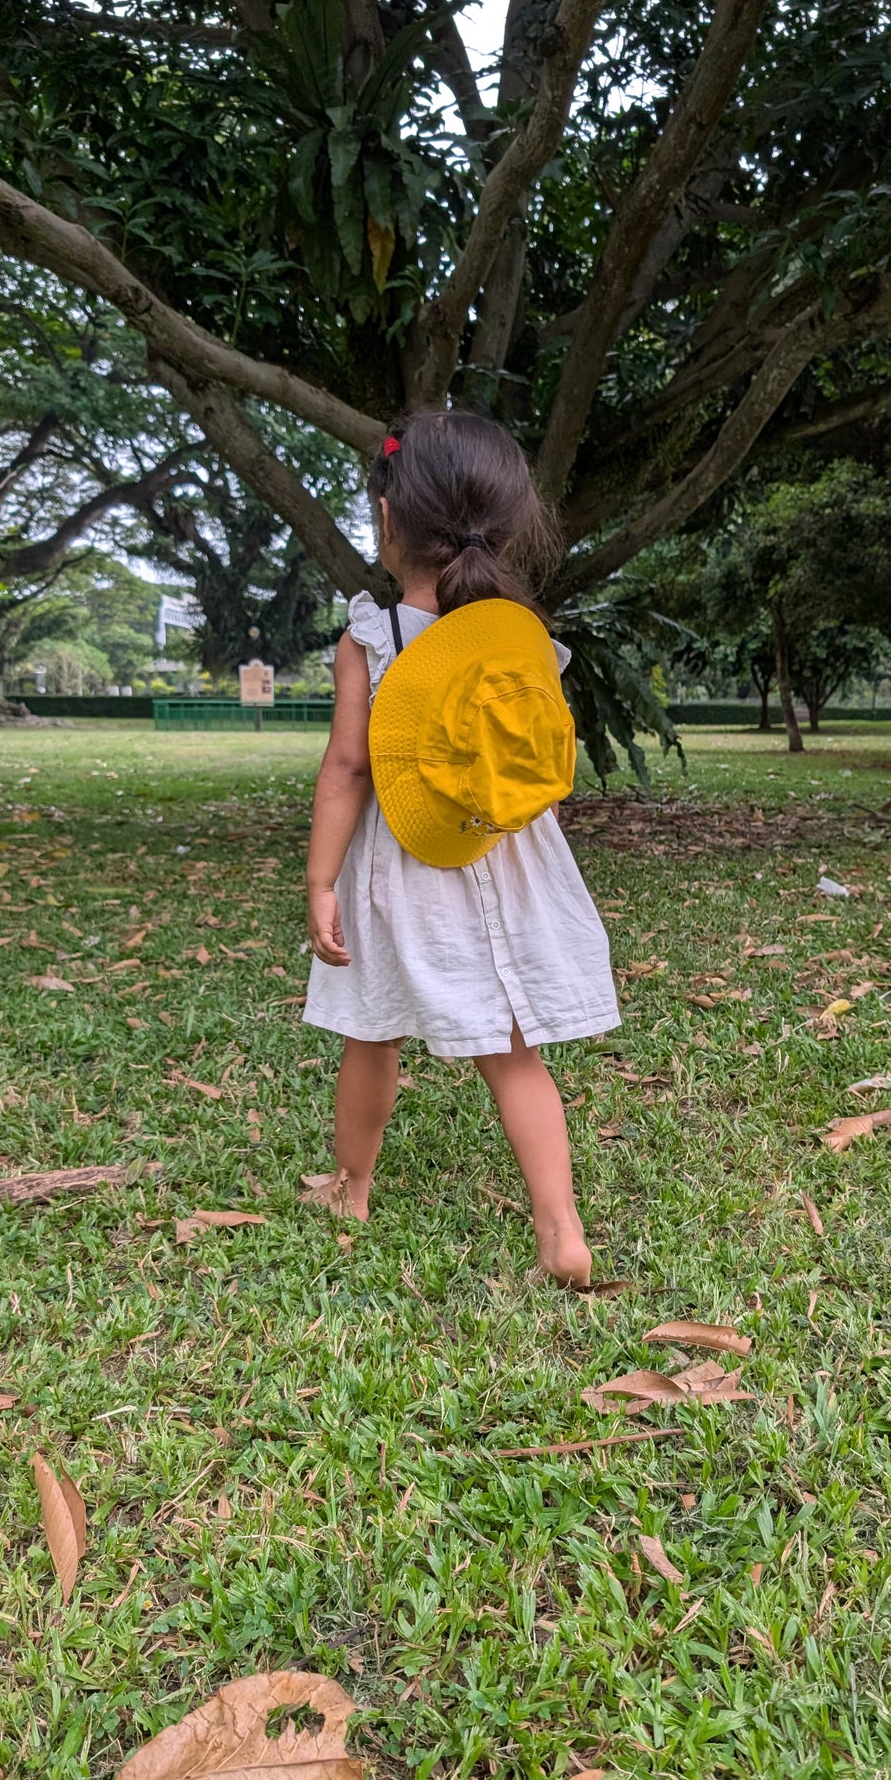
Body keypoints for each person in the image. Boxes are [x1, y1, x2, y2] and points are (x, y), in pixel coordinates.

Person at [301, 410, 620, 1287]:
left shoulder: (371, 639)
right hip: (505, 854)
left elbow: (350, 765)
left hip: (402, 859)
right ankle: (560, 1229)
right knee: (513, 1050)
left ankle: (350, 1188)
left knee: (372, 1030)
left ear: (386, 518)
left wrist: (320, 878)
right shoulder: (522, 639)